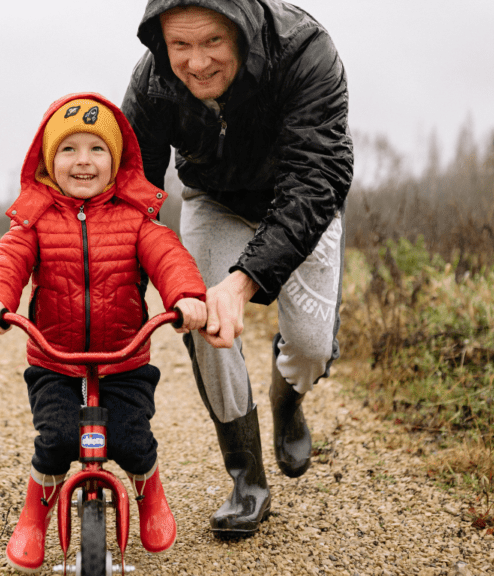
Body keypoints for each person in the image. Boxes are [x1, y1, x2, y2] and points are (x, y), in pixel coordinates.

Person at [122, 0, 354, 536]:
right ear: (161, 41)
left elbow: (318, 177)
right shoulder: (153, 81)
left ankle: (287, 400)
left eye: (212, 43)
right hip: (214, 197)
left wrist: (244, 280)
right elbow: (136, 192)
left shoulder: (305, 51)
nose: (197, 63)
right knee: (205, 323)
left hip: (299, 199)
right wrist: (123, 288)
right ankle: (247, 477)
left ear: (242, 31)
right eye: (180, 45)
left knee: (313, 344)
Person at [0, 92, 208, 573]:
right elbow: (6, 261)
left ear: (116, 162)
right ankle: (35, 514)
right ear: (48, 161)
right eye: (69, 149)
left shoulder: (137, 220)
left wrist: (186, 296)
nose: (83, 161)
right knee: (55, 439)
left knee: (133, 439)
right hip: (55, 361)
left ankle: (149, 491)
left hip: (125, 359)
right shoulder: (34, 223)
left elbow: (169, 256)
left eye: (97, 150)